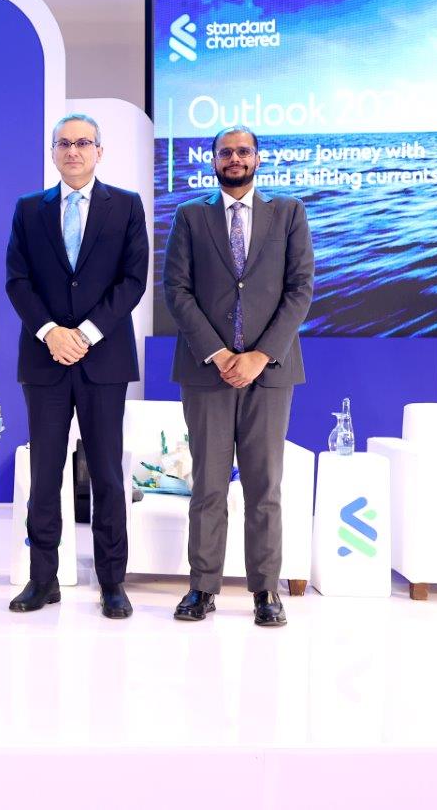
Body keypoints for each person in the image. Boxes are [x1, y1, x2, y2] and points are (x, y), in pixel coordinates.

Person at [163, 125, 314, 627]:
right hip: (206, 372)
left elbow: (300, 289)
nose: (235, 158)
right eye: (225, 152)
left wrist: (259, 355)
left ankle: (266, 591)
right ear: (213, 160)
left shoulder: (288, 213)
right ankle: (201, 588)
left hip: (269, 374)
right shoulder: (190, 216)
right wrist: (219, 353)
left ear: (257, 158)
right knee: (207, 485)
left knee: (264, 487)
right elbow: (176, 290)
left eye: (243, 151)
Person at [5, 113, 149, 619]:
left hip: (102, 360)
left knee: (107, 474)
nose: (73, 151)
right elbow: (17, 281)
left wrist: (85, 333)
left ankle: (112, 582)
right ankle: (43, 579)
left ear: (99, 152)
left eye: (83, 143)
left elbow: (133, 281)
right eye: (63, 143)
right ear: (52, 152)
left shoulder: (126, 206)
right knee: (45, 475)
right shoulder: (29, 209)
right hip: (44, 359)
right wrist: (51, 332)